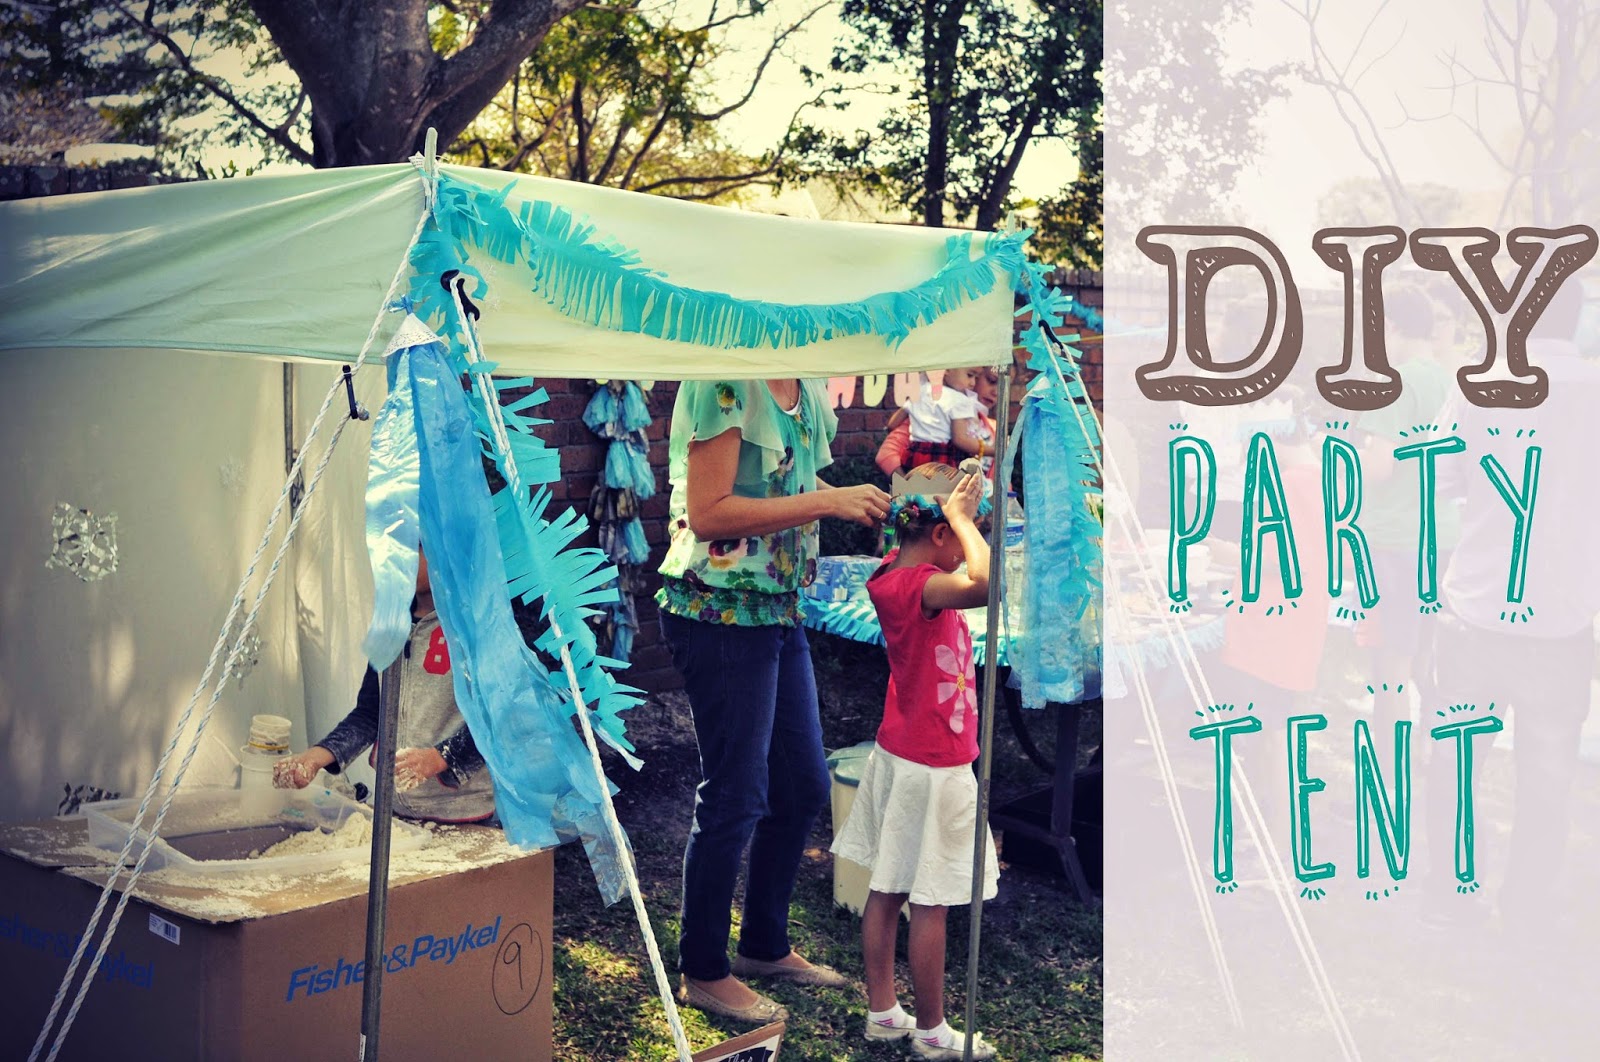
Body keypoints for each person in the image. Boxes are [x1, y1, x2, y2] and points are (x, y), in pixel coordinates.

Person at [657, 377, 891, 1024]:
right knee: (736, 793)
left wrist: (868, 505)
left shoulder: (803, 385)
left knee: (802, 785)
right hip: (719, 611)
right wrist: (830, 501)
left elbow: (792, 485)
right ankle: (704, 969)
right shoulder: (726, 378)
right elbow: (709, 513)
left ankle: (763, 945)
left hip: (776, 607)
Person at [832, 464, 1000, 1061]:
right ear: (939, 535)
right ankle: (932, 1030)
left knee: (888, 886)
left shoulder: (892, 573)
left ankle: (883, 1012)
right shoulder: (922, 588)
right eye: (964, 533)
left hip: (903, 754)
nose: (970, 543)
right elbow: (987, 584)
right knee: (931, 900)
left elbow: (947, 561)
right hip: (933, 764)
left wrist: (952, 514)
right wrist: (962, 518)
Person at [273, 552, 495, 824]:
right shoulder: (390, 624)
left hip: (466, 815)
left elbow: (499, 718)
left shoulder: (475, 626)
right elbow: (370, 713)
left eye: (416, 545)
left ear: (444, 544)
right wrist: (316, 757)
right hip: (395, 812)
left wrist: (438, 758)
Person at [879, 368, 983, 472]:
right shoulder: (960, 399)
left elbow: (892, 425)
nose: (973, 383)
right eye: (969, 375)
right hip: (942, 455)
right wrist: (989, 450)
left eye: (976, 378)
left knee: (915, 481)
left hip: (914, 453)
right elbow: (960, 440)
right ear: (947, 369)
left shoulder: (919, 391)